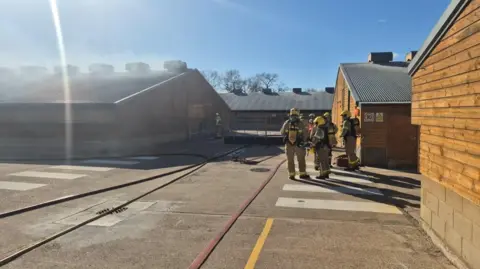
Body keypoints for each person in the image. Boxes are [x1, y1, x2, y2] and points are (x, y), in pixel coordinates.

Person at [280, 108, 310, 180]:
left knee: (290, 160)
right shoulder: (301, 123)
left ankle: (291, 175)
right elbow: (305, 134)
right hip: (299, 145)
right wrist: (305, 142)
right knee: (301, 159)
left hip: (288, 144)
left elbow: (282, 132)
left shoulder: (287, 122)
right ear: (298, 114)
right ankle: (302, 174)